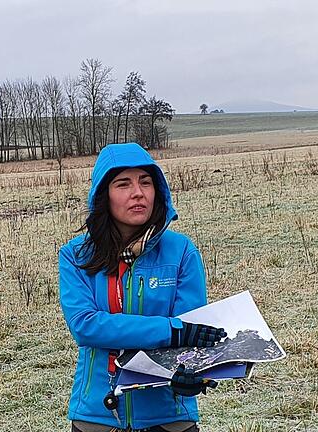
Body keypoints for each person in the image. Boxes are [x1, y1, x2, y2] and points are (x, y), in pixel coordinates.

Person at [59, 143, 226, 431]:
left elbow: (191, 329)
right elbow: (85, 326)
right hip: (97, 416)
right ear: (104, 195)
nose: (138, 192)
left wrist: (192, 375)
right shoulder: (76, 255)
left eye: (145, 182)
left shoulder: (182, 251)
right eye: (123, 184)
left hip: (170, 418)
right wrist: (169, 331)